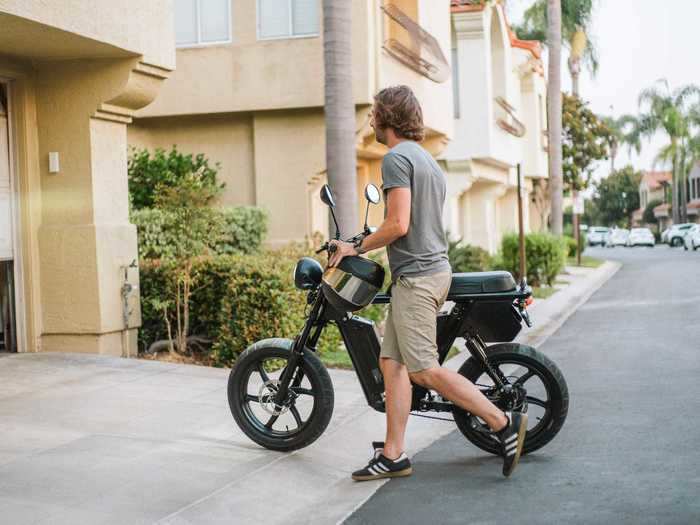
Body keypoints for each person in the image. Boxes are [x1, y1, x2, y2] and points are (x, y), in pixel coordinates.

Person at [328, 85, 527, 480]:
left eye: (374, 113)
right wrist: (361, 242)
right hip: (430, 271)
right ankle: (394, 454)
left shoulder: (397, 158)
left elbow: (398, 224)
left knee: (423, 370)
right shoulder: (426, 160)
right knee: (393, 364)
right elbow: (409, 222)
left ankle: (503, 423)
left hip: (417, 279)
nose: (370, 119)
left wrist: (355, 249)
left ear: (388, 118)